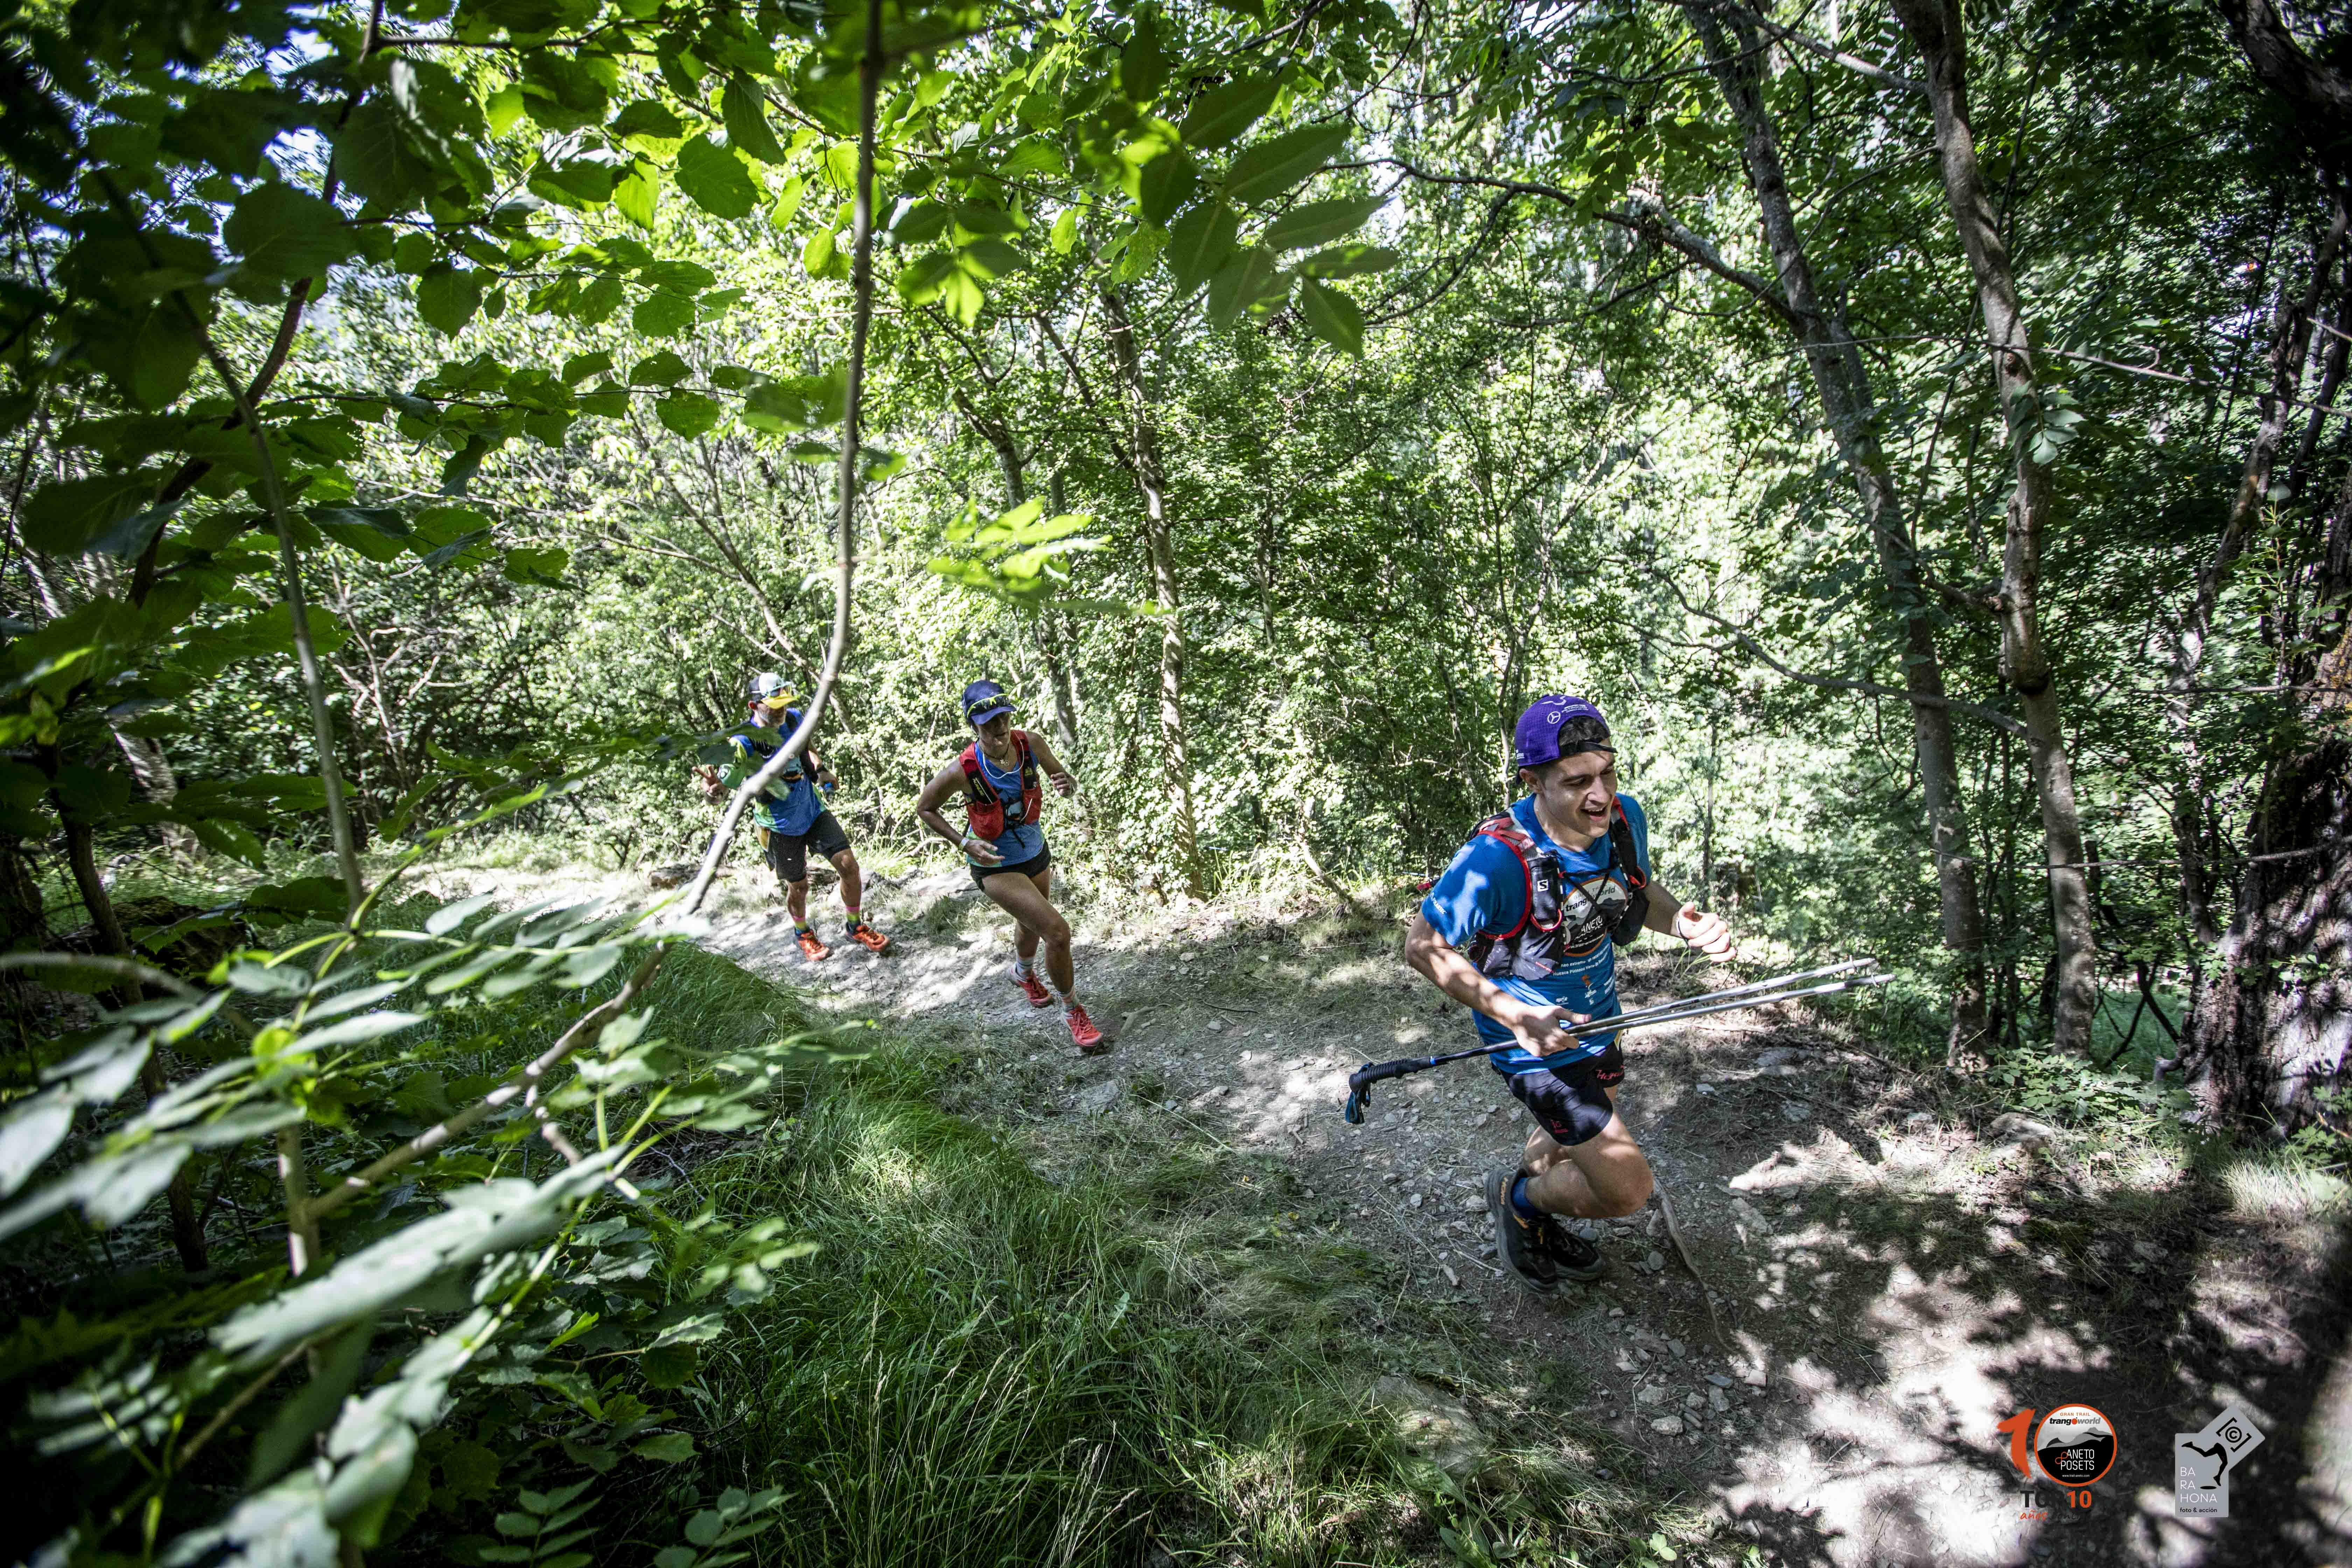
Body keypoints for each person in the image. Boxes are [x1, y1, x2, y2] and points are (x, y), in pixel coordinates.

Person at [1402, 695, 1739, 1292]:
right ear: (1533, 782)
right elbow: (1423, 946)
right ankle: (1523, 1204)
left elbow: (1634, 889)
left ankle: (1529, 1198)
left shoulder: (1623, 819)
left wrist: (1683, 926)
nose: (1601, 795)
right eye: (1578, 782)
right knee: (1628, 1190)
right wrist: (1516, 1016)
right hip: (1530, 1042)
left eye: (1608, 773)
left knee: (1567, 1138)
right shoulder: (1494, 860)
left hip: (1598, 1019)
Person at [912, 679, 1105, 1054]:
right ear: (974, 725)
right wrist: (964, 842)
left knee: (1030, 923)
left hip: (1034, 850)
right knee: (1057, 932)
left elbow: (1065, 781)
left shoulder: (1030, 743)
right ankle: (1073, 1012)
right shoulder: (963, 769)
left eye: (1003, 718)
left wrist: (1068, 785)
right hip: (994, 863)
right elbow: (925, 808)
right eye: (989, 722)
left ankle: (1022, 973)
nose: (999, 728)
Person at [697, 671, 889, 961]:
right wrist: (712, 791)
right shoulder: (743, 742)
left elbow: (807, 749)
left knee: (849, 867)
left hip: (813, 811)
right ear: (754, 706)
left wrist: (821, 771)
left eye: (784, 704)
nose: (781, 710)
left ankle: (855, 926)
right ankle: (803, 933)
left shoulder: (794, 719)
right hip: (779, 825)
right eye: (774, 706)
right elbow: (721, 793)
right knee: (799, 886)